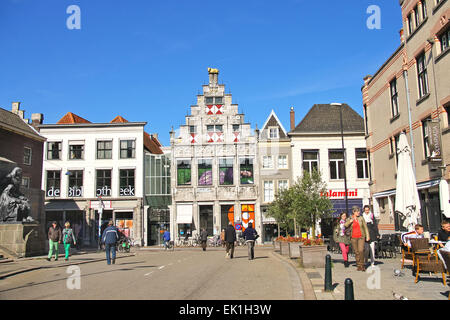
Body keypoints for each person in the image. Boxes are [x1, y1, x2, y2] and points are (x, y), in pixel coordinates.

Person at [345, 206, 370, 271]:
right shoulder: (350, 218)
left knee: (361, 250)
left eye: (359, 211)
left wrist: (367, 236)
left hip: (361, 236)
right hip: (353, 237)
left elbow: (365, 227)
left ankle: (362, 265)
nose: (358, 212)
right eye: (357, 211)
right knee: (356, 252)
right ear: (354, 212)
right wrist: (350, 221)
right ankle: (358, 265)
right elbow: (345, 225)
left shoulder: (361, 218)